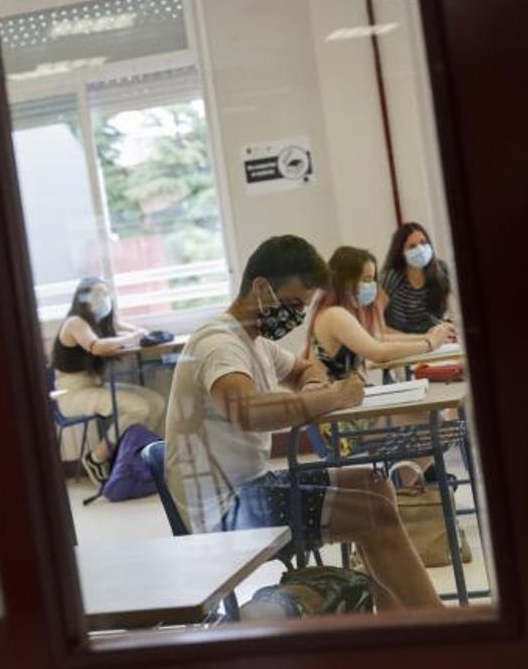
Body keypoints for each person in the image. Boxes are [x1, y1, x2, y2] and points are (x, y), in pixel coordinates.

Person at [165, 235, 443, 611]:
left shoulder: (255, 341)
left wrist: (312, 384)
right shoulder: (219, 343)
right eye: (293, 303)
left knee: (374, 486)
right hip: (227, 512)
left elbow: (303, 366)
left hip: (250, 488)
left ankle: (390, 626)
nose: (296, 316)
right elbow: (249, 411)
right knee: (374, 516)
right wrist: (329, 397)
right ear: (262, 288)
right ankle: (436, 625)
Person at [52, 277, 166, 482]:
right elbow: (96, 346)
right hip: (73, 393)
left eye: (105, 294)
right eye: (97, 294)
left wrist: (136, 333)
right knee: (139, 408)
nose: (103, 299)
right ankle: (96, 458)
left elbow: (138, 332)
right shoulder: (75, 322)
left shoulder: (101, 321)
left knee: (156, 402)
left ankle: (132, 458)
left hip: (94, 386)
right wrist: (131, 338)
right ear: (83, 298)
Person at [307, 246, 452, 381]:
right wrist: (430, 343)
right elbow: (379, 352)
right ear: (345, 281)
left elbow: (378, 339)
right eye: (366, 280)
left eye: (373, 280)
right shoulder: (335, 315)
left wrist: (426, 336)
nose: (372, 286)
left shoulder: (344, 313)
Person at [380, 223, 453, 336]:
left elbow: (454, 314)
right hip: (403, 344)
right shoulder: (390, 278)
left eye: (423, 243)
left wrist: (448, 327)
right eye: (412, 246)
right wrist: (419, 340)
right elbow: (377, 326)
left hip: (438, 344)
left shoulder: (442, 271)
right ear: (401, 252)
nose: (420, 249)